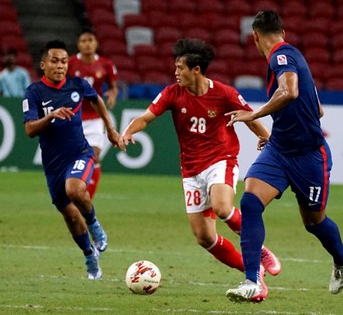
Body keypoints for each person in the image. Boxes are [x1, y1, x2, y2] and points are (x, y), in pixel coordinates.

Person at [118, 38, 282, 291]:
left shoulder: (225, 93)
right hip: (191, 170)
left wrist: (267, 139)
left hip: (221, 159)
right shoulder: (172, 93)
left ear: (196, 69)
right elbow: (146, 117)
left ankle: (259, 251)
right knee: (204, 238)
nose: (175, 72)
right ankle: (253, 271)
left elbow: (249, 117)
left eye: (180, 67)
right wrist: (129, 130)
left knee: (222, 207)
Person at [224, 10, 343, 303]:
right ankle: (252, 280)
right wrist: (282, 126)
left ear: (255, 36)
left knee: (314, 222)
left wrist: (253, 114)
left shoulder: (280, 56)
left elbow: (290, 91)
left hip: (309, 156)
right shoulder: (295, 56)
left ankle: (342, 257)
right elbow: (317, 109)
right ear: (283, 31)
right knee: (250, 201)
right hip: (280, 149)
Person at [22, 40, 123, 279]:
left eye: (64, 61)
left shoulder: (78, 85)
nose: (60, 66)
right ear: (43, 64)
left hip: (80, 153)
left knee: (75, 189)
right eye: (55, 61)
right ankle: (89, 255)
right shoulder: (34, 93)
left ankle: (95, 226)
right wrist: (51, 117)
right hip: (53, 165)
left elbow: (96, 99)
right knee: (70, 215)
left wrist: (109, 129)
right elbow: (29, 130)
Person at [66, 31, 118, 245]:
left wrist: (112, 94)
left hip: (95, 117)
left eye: (90, 41)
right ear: (78, 44)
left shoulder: (105, 64)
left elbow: (113, 85)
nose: (87, 44)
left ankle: (88, 198)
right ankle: (77, 190)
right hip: (74, 116)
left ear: (96, 43)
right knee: (73, 159)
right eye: (83, 41)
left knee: (94, 156)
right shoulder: (69, 63)